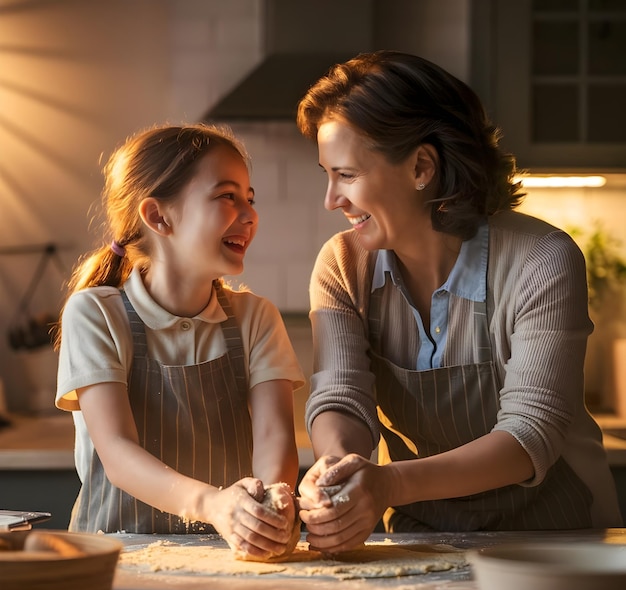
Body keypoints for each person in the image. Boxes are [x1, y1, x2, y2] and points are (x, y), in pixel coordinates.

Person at [295, 50, 623, 553]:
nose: (331, 199)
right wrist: (337, 472)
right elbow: (341, 396)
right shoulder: (342, 265)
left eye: (347, 175)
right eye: (328, 174)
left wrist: (388, 483)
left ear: (421, 166)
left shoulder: (541, 260)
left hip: (558, 538)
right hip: (420, 535)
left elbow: (530, 432)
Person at [54, 123, 304, 561]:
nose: (249, 214)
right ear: (158, 216)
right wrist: (215, 505)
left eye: (250, 198)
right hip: (114, 557)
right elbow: (117, 452)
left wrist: (270, 510)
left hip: (226, 556)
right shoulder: (95, 314)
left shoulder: (256, 317)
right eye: (228, 196)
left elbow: (273, 437)